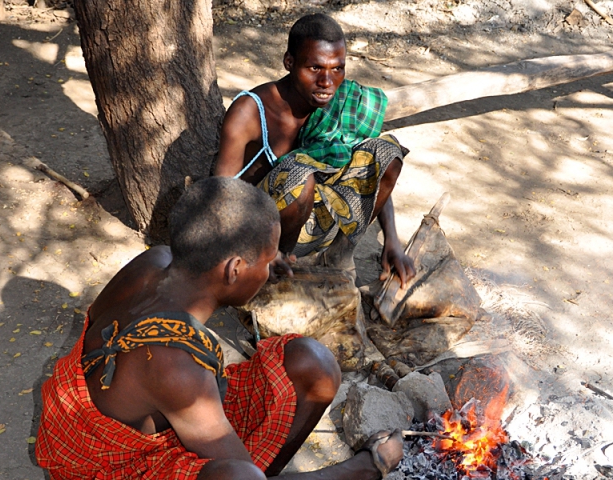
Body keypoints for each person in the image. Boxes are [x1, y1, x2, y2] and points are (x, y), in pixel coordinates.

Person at [35, 177, 404, 479]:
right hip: (110, 468)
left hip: (143, 403)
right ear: (233, 270)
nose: (270, 269)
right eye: (266, 260)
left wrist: (257, 261)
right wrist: (367, 465)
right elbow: (168, 372)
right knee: (242, 477)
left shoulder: (155, 261)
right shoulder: (175, 365)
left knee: (314, 365)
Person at [215, 13, 415, 288]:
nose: (327, 82)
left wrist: (392, 240)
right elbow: (220, 195)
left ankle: (340, 256)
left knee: (386, 152)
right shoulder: (250, 111)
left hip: (316, 219)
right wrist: (256, 251)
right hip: (258, 227)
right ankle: (274, 268)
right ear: (290, 63)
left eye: (337, 68)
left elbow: (371, 171)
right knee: (300, 176)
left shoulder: (339, 102)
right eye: (315, 68)